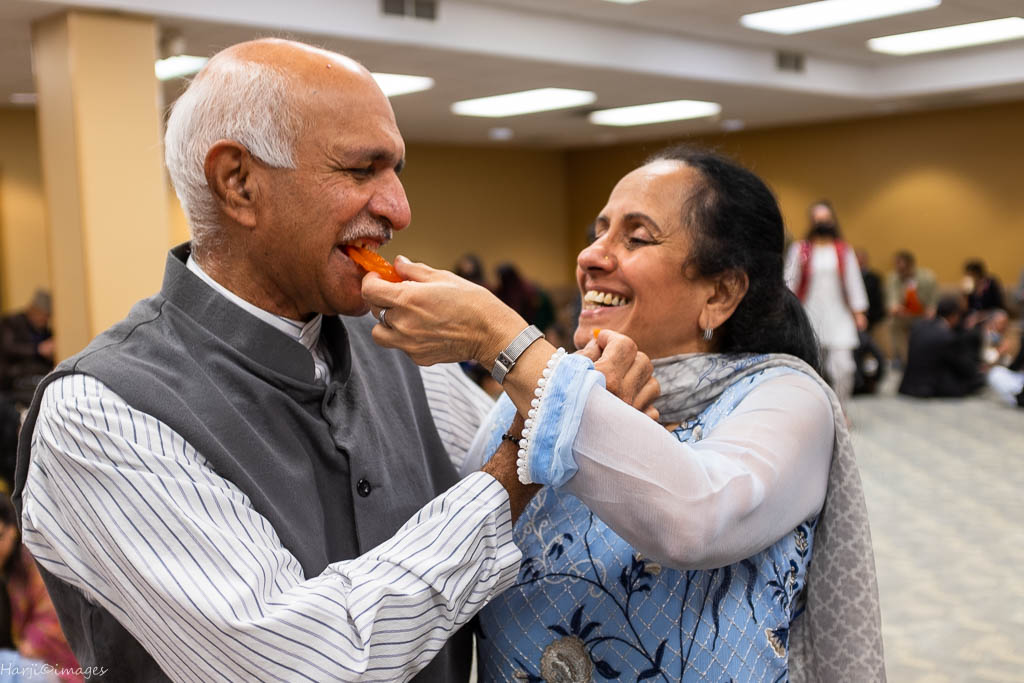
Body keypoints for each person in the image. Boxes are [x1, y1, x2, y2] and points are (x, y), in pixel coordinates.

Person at [11, 39, 653, 682]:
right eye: (360, 170)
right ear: (238, 183)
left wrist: (595, 408)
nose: (398, 208)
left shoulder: (403, 351)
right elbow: (306, 666)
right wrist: (531, 446)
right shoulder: (100, 412)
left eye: (396, 170)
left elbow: (533, 504)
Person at [363, 147, 885, 681]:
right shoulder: (541, 392)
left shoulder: (785, 396)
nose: (592, 256)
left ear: (721, 292)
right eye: (598, 232)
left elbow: (694, 521)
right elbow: (470, 531)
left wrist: (501, 338)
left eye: (636, 238)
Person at [784, 200, 868, 413]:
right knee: (811, 368)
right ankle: (815, 413)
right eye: (817, 219)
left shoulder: (843, 250)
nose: (821, 223)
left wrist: (859, 312)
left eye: (825, 219)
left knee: (843, 367)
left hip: (839, 317)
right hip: (810, 315)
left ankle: (841, 410)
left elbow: (853, 281)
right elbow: (789, 282)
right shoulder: (800, 249)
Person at [0, 495, 82, 683]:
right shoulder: (9, 571)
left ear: (12, 530)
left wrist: (26, 649)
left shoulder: (34, 559)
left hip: (59, 667)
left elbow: (53, 615)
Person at [898, 294, 985, 398]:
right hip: (928, 388)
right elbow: (964, 367)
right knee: (975, 380)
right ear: (954, 316)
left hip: (907, 386)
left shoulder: (918, 327)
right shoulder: (947, 336)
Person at [0, 290, 55, 407]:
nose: (44, 320)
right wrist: (38, 349)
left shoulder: (45, 330)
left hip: (38, 376)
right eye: (43, 315)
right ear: (33, 310)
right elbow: (8, 348)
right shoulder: (11, 323)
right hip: (14, 379)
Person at [886, 250, 938, 367]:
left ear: (910, 264)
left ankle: (926, 360)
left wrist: (931, 310)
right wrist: (895, 307)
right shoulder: (893, 278)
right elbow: (891, 301)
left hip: (922, 316)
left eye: (901, 265)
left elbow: (933, 301)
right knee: (893, 324)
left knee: (929, 327)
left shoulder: (927, 277)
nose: (898, 268)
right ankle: (903, 359)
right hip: (903, 317)